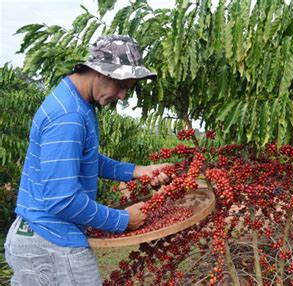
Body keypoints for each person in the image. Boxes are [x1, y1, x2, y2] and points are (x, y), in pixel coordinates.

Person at [4, 35, 170, 285]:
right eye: (121, 85)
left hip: (40, 233)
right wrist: (123, 220)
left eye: (129, 88)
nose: (123, 96)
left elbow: (84, 158)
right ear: (100, 71)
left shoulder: (76, 102)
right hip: (51, 242)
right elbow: (63, 200)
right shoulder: (68, 116)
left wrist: (137, 171)